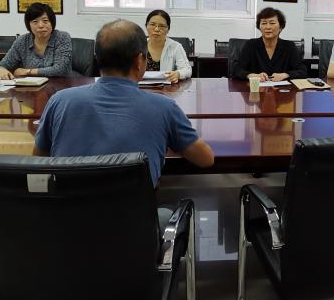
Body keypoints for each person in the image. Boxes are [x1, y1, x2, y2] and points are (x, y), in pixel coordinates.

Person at [33, 19, 214, 185]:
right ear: (139, 61)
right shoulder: (164, 107)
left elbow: (39, 158)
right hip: (134, 210)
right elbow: (206, 159)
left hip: (67, 208)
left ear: (97, 58)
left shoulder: (59, 101)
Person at [0, 2, 72, 79]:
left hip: (61, 85)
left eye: (45, 21)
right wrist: (1, 71)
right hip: (31, 86)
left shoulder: (62, 37)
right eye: (35, 21)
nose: (41, 25)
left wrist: (28, 71)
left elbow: (60, 69)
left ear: (52, 23)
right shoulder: (22, 41)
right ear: (29, 25)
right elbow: (0, 66)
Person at [232, 7, 307, 81]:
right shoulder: (251, 45)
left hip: (282, 88)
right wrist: (251, 75)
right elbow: (236, 69)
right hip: (256, 88)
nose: (268, 27)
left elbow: (302, 71)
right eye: (264, 23)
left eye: (272, 23)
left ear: (280, 27)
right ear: (259, 27)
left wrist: (285, 75)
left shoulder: (289, 46)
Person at [144, 9, 192, 84]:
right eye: (152, 24)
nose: (156, 29)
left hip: (166, 88)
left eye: (162, 26)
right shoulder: (139, 45)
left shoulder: (175, 46)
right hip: (141, 87)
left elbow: (187, 70)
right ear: (146, 26)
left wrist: (178, 74)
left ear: (168, 29)